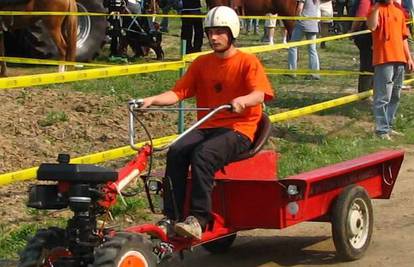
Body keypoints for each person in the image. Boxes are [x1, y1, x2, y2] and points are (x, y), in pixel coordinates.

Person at [140, 6, 274, 239]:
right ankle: (171, 217)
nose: (213, 37)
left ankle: (198, 220)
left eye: (220, 32)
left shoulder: (247, 62)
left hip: (239, 130)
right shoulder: (202, 63)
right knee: (177, 151)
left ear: (233, 33)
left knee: (203, 155)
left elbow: (260, 94)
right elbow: (177, 93)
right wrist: (152, 100)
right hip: (208, 127)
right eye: (210, 32)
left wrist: (243, 100)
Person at [367, 0, 414, 140]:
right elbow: (372, 26)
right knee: (383, 96)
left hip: (399, 58)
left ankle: (388, 126)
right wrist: (375, 7)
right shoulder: (375, 9)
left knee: (395, 95)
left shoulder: (399, 11)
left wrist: (409, 58)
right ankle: (381, 130)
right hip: (383, 58)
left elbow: (403, 37)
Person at [288, 0, 321, 80]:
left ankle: (292, 72)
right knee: (312, 50)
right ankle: (314, 73)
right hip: (313, 24)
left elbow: (300, 8)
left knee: (293, 46)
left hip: (302, 23)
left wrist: (296, 19)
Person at [350, 0, 374, 93]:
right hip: (374, 35)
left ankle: (365, 94)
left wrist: (352, 31)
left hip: (367, 36)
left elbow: (361, 16)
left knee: (367, 66)